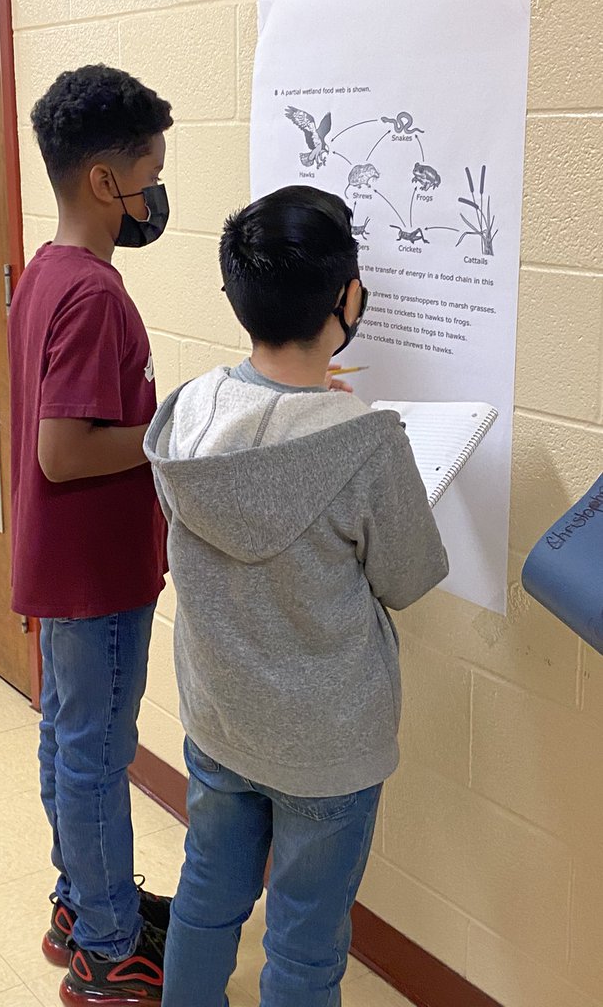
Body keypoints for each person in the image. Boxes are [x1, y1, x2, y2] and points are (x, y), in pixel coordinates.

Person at [144, 186, 449, 1007]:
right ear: (347, 299)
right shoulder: (366, 442)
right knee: (305, 947)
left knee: (207, 901)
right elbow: (410, 579)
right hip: (328, 745)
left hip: (219, 716)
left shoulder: (192, 408)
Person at [8, 65, 174, 1004]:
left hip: (59, 563)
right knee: (97, 751)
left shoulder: (47, 271)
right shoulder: (95, 295)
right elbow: (64, 452)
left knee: (69, 738)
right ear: (105, 182)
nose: (156, 190)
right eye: (149, 170)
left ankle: (80, 901)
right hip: (96, 573)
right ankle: (110, 951)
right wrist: (170, 429)